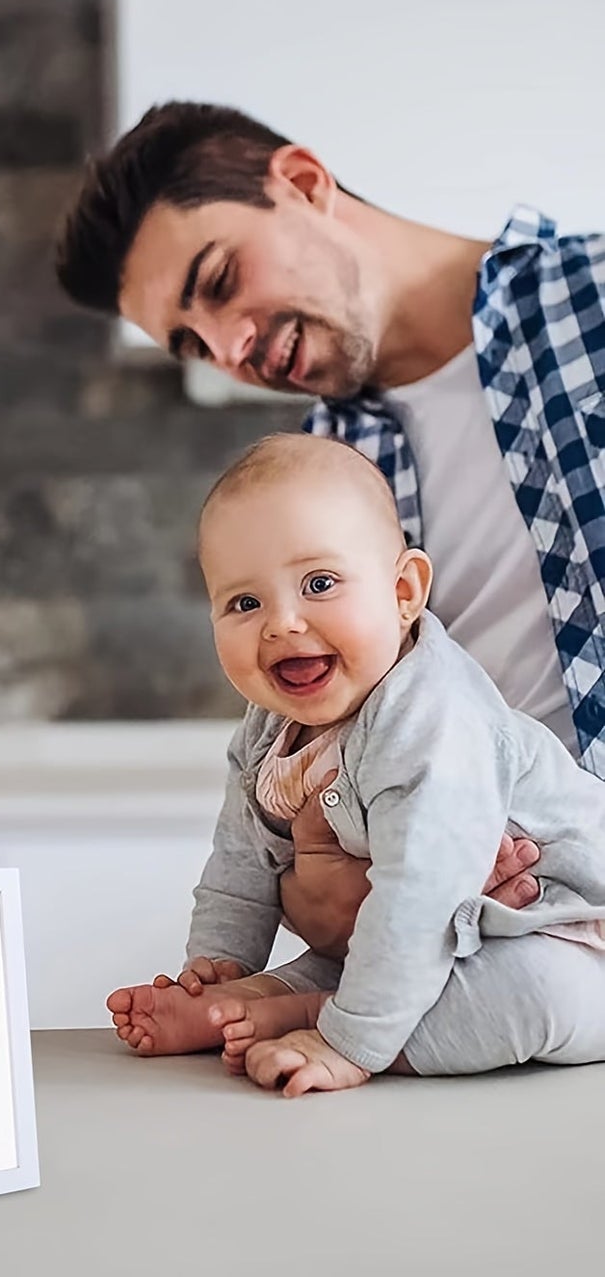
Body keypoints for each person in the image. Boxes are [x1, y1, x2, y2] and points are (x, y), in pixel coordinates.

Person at [53, 98, 596, 957]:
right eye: (191, 343)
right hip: (484, 964)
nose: (230, 349)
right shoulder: (323, 475)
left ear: (303, 184)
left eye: (221, 279)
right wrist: (319, 882)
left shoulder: (588, 301)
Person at [107, 434, 605, 1095]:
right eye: (243, 602)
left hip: (567, 936)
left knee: (543, 993)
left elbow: (418, 897)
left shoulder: (431, 718)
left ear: (403, 591)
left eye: (319, 583)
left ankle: (317, 1015)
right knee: (358, 954)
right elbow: (237, 864)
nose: (281, 623)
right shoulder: (268, 732)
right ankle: (245, 1000)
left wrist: (349, 1042)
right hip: (420, 940)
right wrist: (217, 964)